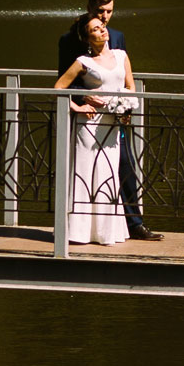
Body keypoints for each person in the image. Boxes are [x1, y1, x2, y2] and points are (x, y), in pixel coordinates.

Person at [57, 0, 163, 240]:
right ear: (89, 9)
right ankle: (83, 229)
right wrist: (83, 97)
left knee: (125, 165)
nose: (105, 18)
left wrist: (126, 107)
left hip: (117, 118)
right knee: (89, 171)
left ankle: (133, 224)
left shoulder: (118, 37)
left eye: (109, 12)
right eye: (100, 12)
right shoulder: (69, 39)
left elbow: (125, 79)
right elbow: (64, 81)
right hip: (90, 118)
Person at [54, 15, 135, 245]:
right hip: (88, 128)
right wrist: (78, 106)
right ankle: (78, 233)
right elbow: (59, 88)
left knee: (108, 176)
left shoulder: (121, 56)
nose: (102, 31)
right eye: (96, 30)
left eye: (103, 27)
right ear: (88, 38)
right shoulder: (83, 61)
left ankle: (107, 233)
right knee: (86, 175)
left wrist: (125, 108)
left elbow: (131, 87)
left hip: (111, 126)